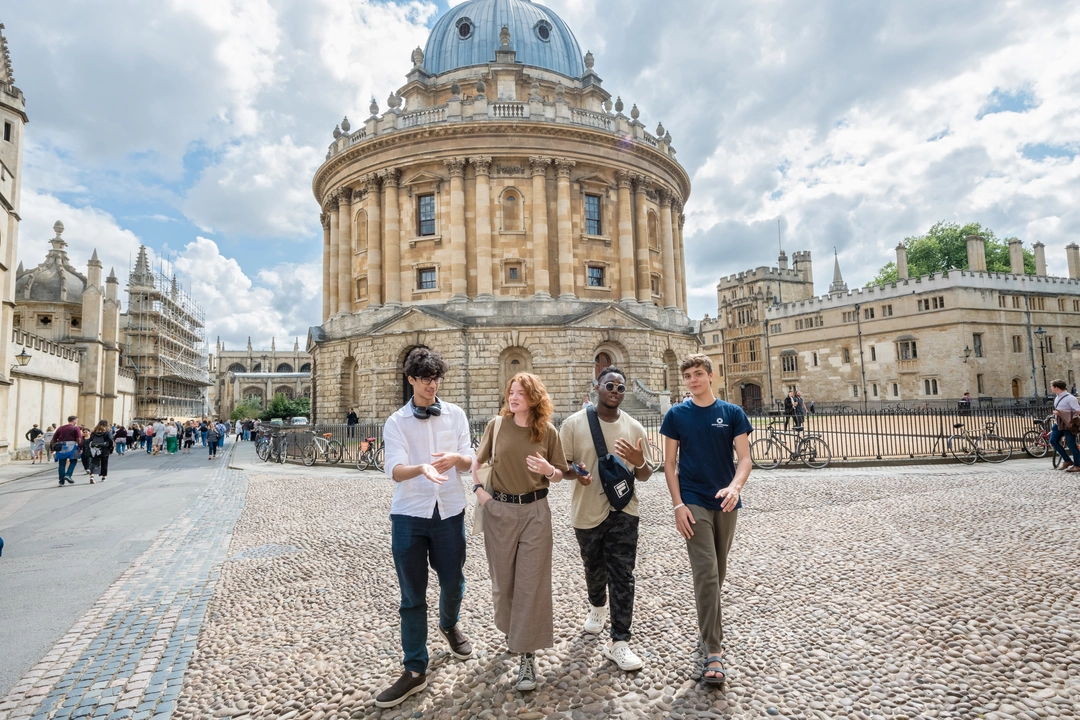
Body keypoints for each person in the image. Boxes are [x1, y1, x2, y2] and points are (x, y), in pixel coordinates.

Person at [375, 347, 475, 710]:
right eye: (425, 379)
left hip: (449, 511)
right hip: (410, 514)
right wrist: (421, 468)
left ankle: (450, 625)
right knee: (412, 595)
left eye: (436, 379)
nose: (432, 385)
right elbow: (394, 470)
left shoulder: (457, 415)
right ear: (411, 380)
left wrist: (457, 459)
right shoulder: (396, 422)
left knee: (453, 581)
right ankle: (415, 670)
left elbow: (470, 460)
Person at [473, 372, 569, 692]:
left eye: (520, 393)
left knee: (531, 584)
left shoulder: (548, 431)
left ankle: (527, 655)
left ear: (534, 398)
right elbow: (478, 462)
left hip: (536, 513)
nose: (513, 397)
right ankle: (511, 631)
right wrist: (480, 493)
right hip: (498, 511)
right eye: (510, 391)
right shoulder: (496, 426)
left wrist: (548, 471)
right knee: (504, 584)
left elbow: (560, 474)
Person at [660, 354, 753, 686]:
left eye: (698, 374)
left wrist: (735, 486)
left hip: (726, 501)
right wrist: (677, 505)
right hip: (694, 501)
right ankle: (714, 651)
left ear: (711, 376)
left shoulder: (732, 413)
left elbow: (744, 459)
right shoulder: (676, 416)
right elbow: (669, 465)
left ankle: (706, 627)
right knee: (707, 572)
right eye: (687, 376)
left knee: (719, 571)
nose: (692, 380)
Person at [560, 366, 652, 672]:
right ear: (597, 387)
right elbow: (561, 469)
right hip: (586, 510)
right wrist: (577, 473)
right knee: (593, 567)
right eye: (609, 385)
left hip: (625, 511)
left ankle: (620, 641)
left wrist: (639, 461)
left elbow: (646, 473)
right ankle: (597, 606)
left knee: (623, 575)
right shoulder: (573, 424)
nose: (615, 390)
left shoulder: (635, 427)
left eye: (620, 388)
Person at [1050, 379, 1080, 473]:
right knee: (1053, 441)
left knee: (1071, 444)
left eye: (1052, 386)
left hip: (1068, 424)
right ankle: (1067, 460)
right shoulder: (1057, 397)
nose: (1051, 388)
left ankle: (1078, 465)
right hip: (1058, 423)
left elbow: (1078, 411)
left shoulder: (1070, 398)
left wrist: (1061, 413)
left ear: (1056, 388)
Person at [52, 416, 82, 486]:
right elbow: (79, 439)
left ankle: (61, 481)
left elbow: (54, 439)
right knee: (73, 461)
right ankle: (68, 475)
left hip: (62, 446)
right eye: (76, 421)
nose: (76, 422)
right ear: (74, 421)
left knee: (62, 464)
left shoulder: (60, 428)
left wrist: (52, 448)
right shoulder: (76, 428)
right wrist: (80, 447)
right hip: (72, 446)